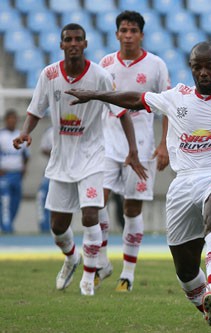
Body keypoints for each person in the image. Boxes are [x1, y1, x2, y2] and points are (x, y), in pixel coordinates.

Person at [65, 41, 211, 326]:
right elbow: (136, 99)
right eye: (198, 67)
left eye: (210, 66)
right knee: (185, 271)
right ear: (191, 68)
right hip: (183, 182)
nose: (204, 72)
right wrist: (97, 95)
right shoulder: (177, 97)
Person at [13, 23, 147, 297]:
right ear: (61, 45)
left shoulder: (99, 75)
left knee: (89, 216)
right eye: (68, 39)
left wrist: (132, 150)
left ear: (85, 44)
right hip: (62, 160)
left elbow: (121, 112)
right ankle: (71, 257)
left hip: (93, 157)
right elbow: (35, 109)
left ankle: (88, 278)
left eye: (78, 39)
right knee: (58, 228)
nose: (73, 43)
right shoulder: (49, 74)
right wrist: (25, 133)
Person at [94, 10, 171, 292]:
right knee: (95, 203)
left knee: (131, 208)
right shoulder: (105, 64)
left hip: (142, 147)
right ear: (116, 34)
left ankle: (128, 274)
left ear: (141, 34)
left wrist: (163, 145)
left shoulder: (156, 66)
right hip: (107, 146)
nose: (128, 36)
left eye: (133, 31)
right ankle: (101, 261)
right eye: (123, 31)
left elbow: (167, 109)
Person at [0, 109, 29, 233]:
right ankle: (7, 229)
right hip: (4, 175)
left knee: (15, 203)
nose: (12, 121)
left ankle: (9, 226)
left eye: (14, 119)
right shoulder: (1, 135)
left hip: (17, 175)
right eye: (9, 119)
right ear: (6, 120)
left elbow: (26, 155)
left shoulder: (20, 136)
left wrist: (23, 168)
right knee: (5, 203)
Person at [36, 126, 53, 233]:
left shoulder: (74, 128)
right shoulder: (49, 131)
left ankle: (63, 229)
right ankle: (44, 228)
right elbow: (43, 148)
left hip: (66, 173)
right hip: (50, 172)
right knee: (43, 197)